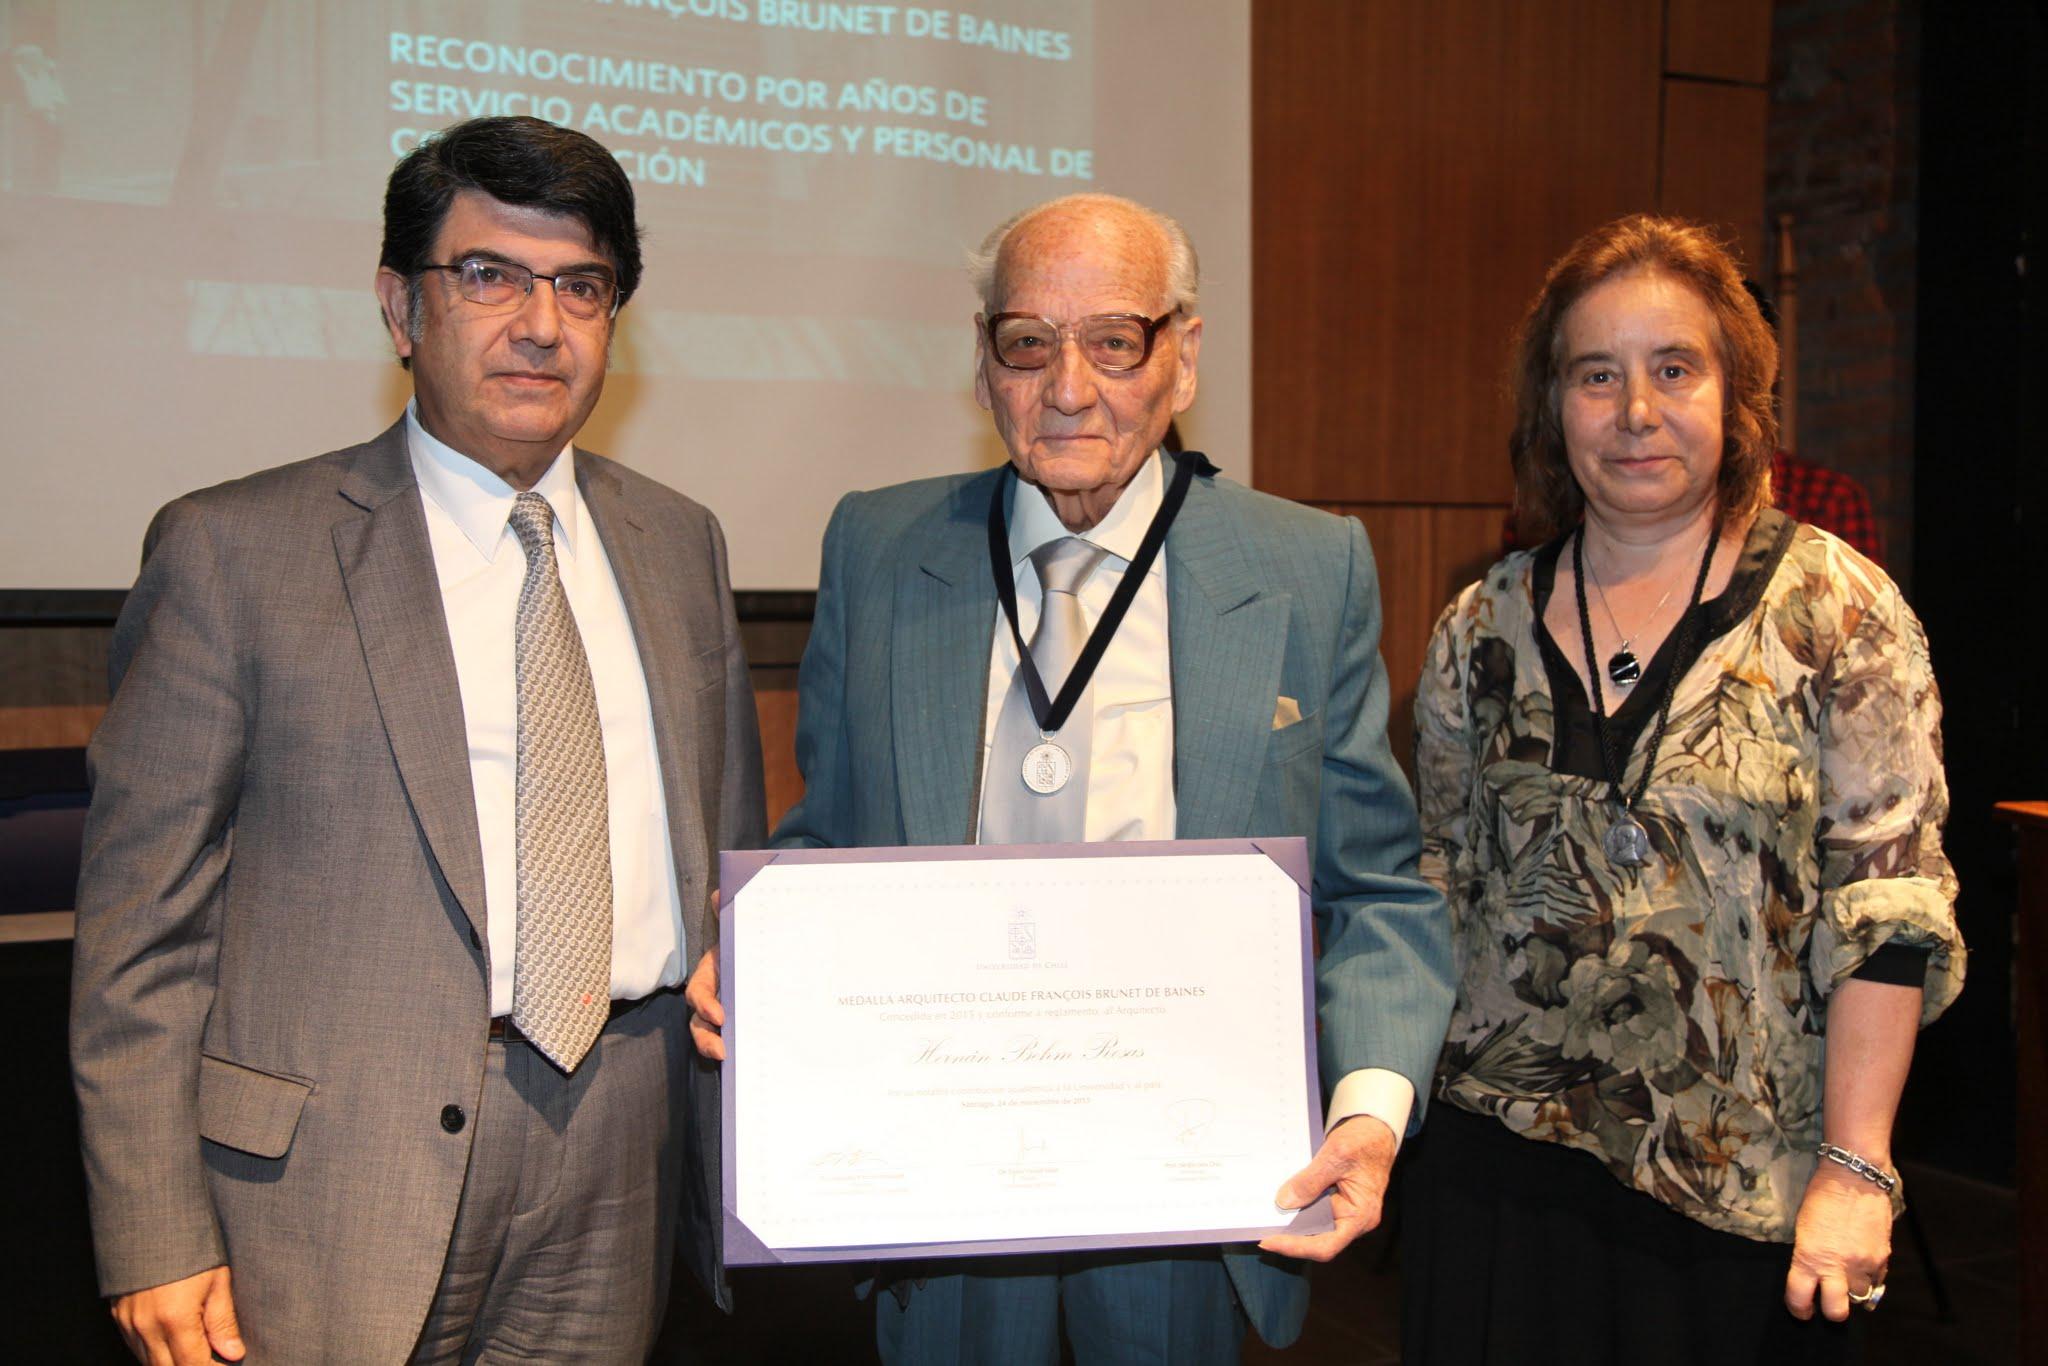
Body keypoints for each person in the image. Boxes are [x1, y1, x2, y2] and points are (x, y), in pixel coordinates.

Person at [687, 192, 1453, 1363]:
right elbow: (827, 841)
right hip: (932, 1177)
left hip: (1190, 1180)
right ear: (984, 362)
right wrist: (758, 951)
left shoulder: (1305, 565)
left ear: (1183, 355)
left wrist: (1368, 1107)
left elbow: (1376, 890)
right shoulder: (880, 550)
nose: (1067, 385)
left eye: (1112, 340)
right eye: (1026, 342)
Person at [70, 115, 765, 1364]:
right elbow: (139, 935)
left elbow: (726, 861)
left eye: (582, 287)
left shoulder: (680, 542)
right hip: (327, 1178)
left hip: (620, 1146)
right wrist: (154, 1229)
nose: (540, 324)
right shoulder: (235, 551)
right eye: (489, 275)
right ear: (401, 308)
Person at [1405, 214, 1964, 1364]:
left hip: (1743, 1201)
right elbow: (1434, 881)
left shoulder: (1835, 611)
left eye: (1673, 369)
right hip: (1493, 1185)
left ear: (1737, 397)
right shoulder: (1479, 626)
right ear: (1550, 406)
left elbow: (1888, 910)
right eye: (1594, 374)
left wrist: (1856, 1168)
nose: (1633, 412)